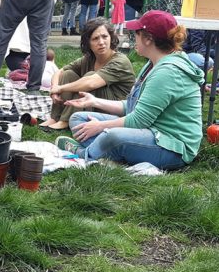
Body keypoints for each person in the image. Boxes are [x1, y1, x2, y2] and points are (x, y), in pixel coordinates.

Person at [55, 10, 204, 170]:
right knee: (78, 119)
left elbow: (138, 121)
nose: (134, 38)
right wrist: (95, 101)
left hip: (173, 147)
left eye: (137, 34)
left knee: (113, 135)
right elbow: (133, 107)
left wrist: (100, 127)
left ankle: (84, 153)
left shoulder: (167, 72)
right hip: (151, 131)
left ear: (148, 39)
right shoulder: (153, 63)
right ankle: (109, 156)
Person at [40, 18, 135, 130]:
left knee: (89, 77)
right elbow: (59, 72)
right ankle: (55, 117)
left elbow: (91, 83)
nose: (101, 42)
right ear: (88, 43)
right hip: (93, 104)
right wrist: (55, 88)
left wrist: (60, 88)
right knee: (68, 74)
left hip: (116, 109)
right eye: (95, 38)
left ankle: (65, 120)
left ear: (111, 38)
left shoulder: (120, 61)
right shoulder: (89, 59)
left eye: (105, 37)